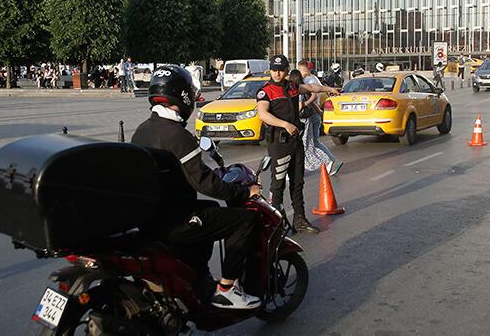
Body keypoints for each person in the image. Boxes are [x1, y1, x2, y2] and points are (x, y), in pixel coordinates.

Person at [131, 65, 263, 309]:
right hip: (175, 220)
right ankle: (227, 289)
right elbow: (206, 183)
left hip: (152, 216)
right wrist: (244, 192)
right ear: (183, 96)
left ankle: (197, 277)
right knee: (243, 220)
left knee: (210, 209)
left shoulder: (143, 129)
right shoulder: (176, 135)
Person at [256, 55, 341, 234]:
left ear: (287, 70)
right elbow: (263, 114)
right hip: (279, 145)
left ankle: (299, 221)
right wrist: (285, 124)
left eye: (280, 69)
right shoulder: (266, 91)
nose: (277, 73)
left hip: (295, 143)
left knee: (297, 183)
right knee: (277, 186)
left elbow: (311, 87)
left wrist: (329, 89)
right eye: (274, 69)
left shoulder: (292, 87)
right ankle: (276, 225)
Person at [296, 60, 342, 175]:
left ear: (302, 68)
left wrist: (306, 105)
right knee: (314, 143)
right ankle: (332, 162)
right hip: (313, 114)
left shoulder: (308, 80)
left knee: (308, 144)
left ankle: (328, 162)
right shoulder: (314, 78)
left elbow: (313, 95)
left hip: (309, 115)